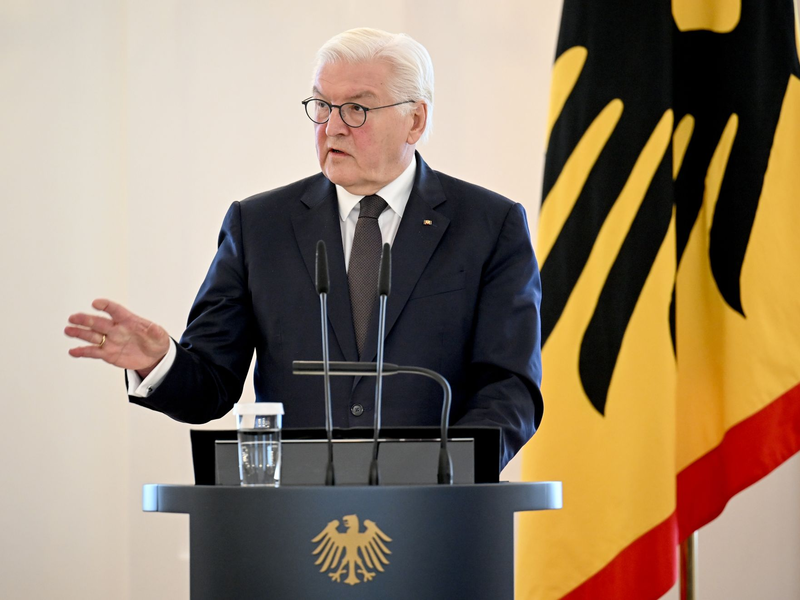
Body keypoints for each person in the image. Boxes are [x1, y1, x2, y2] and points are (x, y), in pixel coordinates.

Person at [65, 28, 543, 469]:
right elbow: (212, 384)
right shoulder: (259, 226)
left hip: (437, 519)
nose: (332, 127)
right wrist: (159, 362)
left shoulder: (488, 225)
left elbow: (510, 386)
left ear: (414, 120)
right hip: (293, 520)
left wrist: (446, 471)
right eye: (321, 106)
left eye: (357, 108)